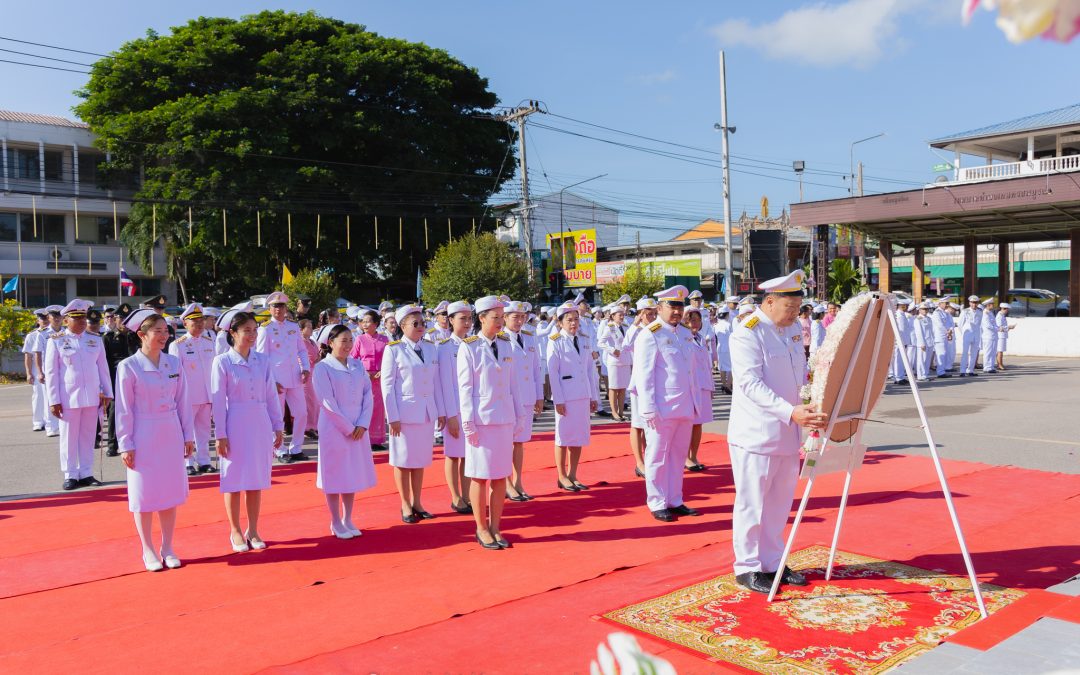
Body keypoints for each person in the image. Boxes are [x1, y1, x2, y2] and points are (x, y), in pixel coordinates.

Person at [727, 270, 827, 593]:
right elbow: (749, 384)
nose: (795, 315)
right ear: (770, 301)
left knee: (780, 503)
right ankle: (747, 567)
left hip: (789, 433)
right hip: (757, 435)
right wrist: (790, 411)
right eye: (790, 308)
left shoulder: (793, 328)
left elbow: (799, 372)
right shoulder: (748, 332)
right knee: (752, 503)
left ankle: (772, 562)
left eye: (798, 308)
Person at [115, 309, 195, 571]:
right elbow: (124, 409)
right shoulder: (129, 367)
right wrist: (126, 443)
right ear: (141, 335)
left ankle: (168, 546)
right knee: (144, 493)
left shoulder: (173, 363)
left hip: (170, 430)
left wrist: (188, 435)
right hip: (143, 432)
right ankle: (147, 548)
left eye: (165, 331)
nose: (163, 336)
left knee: (169, 491)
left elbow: (183, 401)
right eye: (157, 331)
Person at [211, 311, 285, 552]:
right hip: (235, 422)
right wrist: (220, 434)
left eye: (255, 330)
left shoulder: (262, 360)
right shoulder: (222, 361)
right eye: (246, 330)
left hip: (259, 421)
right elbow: (218, 401)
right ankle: (234, 530)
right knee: (232, 479)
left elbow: (271, 396)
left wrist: (278, 425)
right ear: (233, 333)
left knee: (256, 478)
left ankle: (253, 529)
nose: (252, 335)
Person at [457, 296, 522, 549]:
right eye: (495, 317)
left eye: (501, 317)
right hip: (481, 421)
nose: (500, 322)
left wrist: (518, 416)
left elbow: (513, 384)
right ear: (481, 318)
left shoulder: (507, 345)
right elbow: (464, 389)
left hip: (504, 419)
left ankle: (496, 527)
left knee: (499, 477)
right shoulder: (469, 347)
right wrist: (468, 423)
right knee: (479, 476)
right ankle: (481, 528)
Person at [632, 286, 701, 522]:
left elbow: (689, 372)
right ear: (659, 308)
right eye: (672, 306)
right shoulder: (650, 334)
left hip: (684, 405)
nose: (677, 311)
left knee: (678, 456)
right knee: (657, 457)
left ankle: (675, 499)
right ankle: (656, 501)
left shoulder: (683, 333)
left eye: (680, 306)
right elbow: (644, 375)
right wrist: (648, 408)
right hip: (661, 408)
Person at [312, 324, 378, 539]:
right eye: (343, 340)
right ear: (330, 343)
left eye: (351, 340)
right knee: (334, 474)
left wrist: (362, 423)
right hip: (334, 427)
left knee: (351, 473)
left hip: (358, 426)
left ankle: (348, 517)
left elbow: (368, 395)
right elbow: (327, 402)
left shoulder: (357, 365)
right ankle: (335, 520)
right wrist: (348, 428)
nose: (348, 345)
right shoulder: (323, 368)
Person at [381, 304, 445, 523]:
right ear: (402, 326)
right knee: (402, 460)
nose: (420, 327)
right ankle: (405, 504)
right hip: (405, 414)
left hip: (426, 412)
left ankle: (417, 501)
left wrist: (440, 411)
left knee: (420, 460)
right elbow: (387, 386)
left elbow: (436, 382)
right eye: (415, 323)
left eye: (422, 323)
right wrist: (393, 417)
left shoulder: (430, 348)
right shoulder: (394, 349)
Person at [44, 299, 114, 491]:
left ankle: (86, 472)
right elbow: (51, 373)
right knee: (68, 437)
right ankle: (70, 474)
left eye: (83, 317)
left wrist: (107, 392)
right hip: (68, 397)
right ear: (66, 320)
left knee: (88, 435)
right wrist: (54, 400)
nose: (82, 321)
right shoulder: (56, 341)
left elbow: (103, 368)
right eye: (77, 318)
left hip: (92, 396)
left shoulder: (95, 340)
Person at [547, 302, 600, 492]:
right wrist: (558, 400)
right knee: (563, 437)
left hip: (582, 394)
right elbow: (553, 372)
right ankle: (561, 475)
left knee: (579, 436)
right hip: (566, 396)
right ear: (560, 322)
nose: (574, 323)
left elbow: (589, 369)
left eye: (576, 319)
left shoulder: (584, 340)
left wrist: (594, 396)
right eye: (569, 320)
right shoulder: (555, 341)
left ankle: (573, 474)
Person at [256, 291, 311, 463]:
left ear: (286, 308)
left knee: (301, 413)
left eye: (281, 306)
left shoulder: (293, 327)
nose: (278, 309)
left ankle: (296, 447)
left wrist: (306, 368)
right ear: (270, 309)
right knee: (277, 415)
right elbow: (261, 357)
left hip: (294, 376)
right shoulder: (265, 329)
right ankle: (278, 449)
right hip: (276, 379)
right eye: (275, 306)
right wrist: (270, 380)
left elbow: (301, 350)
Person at [169, 303, 218, 475]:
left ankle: (204, 461)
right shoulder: (178, 345)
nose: (199, 325)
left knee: (204, 431)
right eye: (194, 322)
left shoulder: (209, 342)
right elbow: (174, 374)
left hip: (206, 394)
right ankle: (187, 462)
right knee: (186, 431)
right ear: (185, 324)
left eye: (201, 321)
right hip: (188, 396)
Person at [502, 300, 543, 501]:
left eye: (522, 317)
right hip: (509, 399)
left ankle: (518, 482)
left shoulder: (529, 337)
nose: (519, 321)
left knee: (519, 443)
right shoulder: (501, 340)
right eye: (515, 317)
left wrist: (539, 395)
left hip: (527, 397)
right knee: (507, 443)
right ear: (505, 318)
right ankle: (507, 483)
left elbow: (536, 369)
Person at [437, 301, 474, 514]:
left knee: (469, 454)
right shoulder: (444, 348)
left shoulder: (474, 344)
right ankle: (455, 496)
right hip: (454, 409)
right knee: (453, 455)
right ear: (450, 320)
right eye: (462, 319)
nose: (467, 323)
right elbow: (444, 384)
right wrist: (450, 414)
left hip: (471, 409)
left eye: (469, 318)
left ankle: (467, 495)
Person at [626, 297, 658, 478]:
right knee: (638, 424)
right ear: (640, 315)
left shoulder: (658, 330)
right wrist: (635, 325)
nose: (652, 317)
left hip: (655, 382)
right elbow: (625, 346)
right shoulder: (636, 331)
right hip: (639, 383)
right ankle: (639, 462)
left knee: (651, 425)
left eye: (654, 313)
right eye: (648, 314)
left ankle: (651, 458)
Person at [351, 310, 389, 450]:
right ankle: (364, 437)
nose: (365, 324)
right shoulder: (359, 339)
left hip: (379, 377)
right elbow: (353, 358)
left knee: (378, 409)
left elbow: (389, 359)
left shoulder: (384, 340)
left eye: (368, 321)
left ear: (376, 323)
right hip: (364, 377)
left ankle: (376, 440)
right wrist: (362, 372)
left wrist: (382, 371)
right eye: (363, 322)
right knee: (365, 407)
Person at [682, 306, 713, 472]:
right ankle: (685, 457)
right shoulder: (683, 337)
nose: (694, 323)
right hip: (691, 387)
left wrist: (711, 386)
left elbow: (706, 365)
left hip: (703, 385)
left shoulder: (700, 338)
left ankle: (694, 455)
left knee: (698, 424)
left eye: (697, 319)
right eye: (690, 319)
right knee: (689, 424)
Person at [598, 307, 632, 422]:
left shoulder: (626, 327)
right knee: (613, 388)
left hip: (625, 360)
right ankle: (614, 412)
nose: (622, 317)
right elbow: (600, 343)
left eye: (623, 315)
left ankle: (621, 412)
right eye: (619, 315)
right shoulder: (610, 327)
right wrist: (612, 350)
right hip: (614, 361)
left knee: (622, 388)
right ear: (613, 316)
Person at [22, 308, 49, 432]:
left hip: (51, 369)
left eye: (46, 318)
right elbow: (28, 356)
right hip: (37, 369)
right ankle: (38, 421)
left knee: (51, 397)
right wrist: (28, 373)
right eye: (42, 319)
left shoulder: (54, 333)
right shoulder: (32, 336)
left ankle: (51, 422)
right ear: (38, 320)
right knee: (38, 396)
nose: (45, 321)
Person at [299, 319, 321, 440]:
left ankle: (315, 425)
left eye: (311, 326)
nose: (311, 328)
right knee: (309, 401)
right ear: (301, 329)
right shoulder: (300, 342)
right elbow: (303, 358)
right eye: (308, 326)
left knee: (316, 401)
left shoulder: (311, 341)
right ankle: (308, 427)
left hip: (315, 372)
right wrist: (316, 360)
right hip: (307, 373)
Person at [957, 295, 982, 377]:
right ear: (969, 303)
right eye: (972, 303)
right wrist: (964, 333)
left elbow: (981, 323)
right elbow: (960, 324)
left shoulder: (980, 311)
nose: (974, 304)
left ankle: (970, 370)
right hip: (967, 334)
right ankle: (962, 371)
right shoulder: (965, 311)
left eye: (975, 303)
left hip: (976, 334)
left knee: (974, 353)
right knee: (965, 353)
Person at [931, 297, 955, 377]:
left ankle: (942, 371)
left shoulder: (946, 313)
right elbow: (939, 325)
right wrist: (947, 331)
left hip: (945, 336)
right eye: (946, 303)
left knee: (945, 354)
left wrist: (950, 329)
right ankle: (940, 372)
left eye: (947, 304)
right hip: (939, 337)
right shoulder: (936, 313)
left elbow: (950, 323)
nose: (947, 305)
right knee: (941, 354)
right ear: (940, 303)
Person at [914, 301, 934, 381]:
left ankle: (925, 374)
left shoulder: (929, 319)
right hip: (923, 343)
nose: (925, 310)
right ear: (919, 310)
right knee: (921, 359)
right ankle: (920, 375)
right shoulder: (918, 319)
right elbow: (919, 332)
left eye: (926, 309)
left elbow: (931, 331)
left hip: (929, 342)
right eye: (923, 309)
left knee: (927, 359)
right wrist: (922, 343)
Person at [979, 300, 998, 373]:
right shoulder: (985, 313)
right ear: (988, 305)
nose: (993, 305)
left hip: (993, 336)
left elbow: (994, 324)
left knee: (993, 352)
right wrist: (998, 329)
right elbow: (988, 325)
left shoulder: (990, 313)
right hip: (988, 336)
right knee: (988, 352)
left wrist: (1001, 328)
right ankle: (986, 367)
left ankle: (991, 366)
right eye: (992, 304)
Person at [996, 302, 1014, 370]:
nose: (1007, 311)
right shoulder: (999, 316)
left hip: (1003, 335)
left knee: (1001, 350)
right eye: (1006, 309)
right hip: (1000, 336)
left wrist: (1008, 328)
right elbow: (999, 327)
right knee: (1000, 351)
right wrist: (1008, 327)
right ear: (1003, 309)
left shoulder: (1002, 316)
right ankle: (999, 365)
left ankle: (1000, 364)